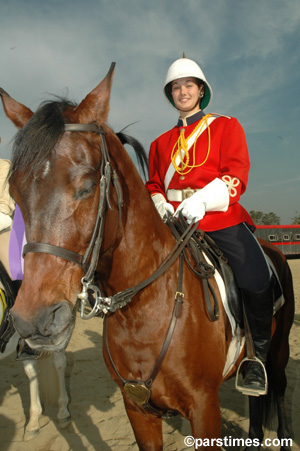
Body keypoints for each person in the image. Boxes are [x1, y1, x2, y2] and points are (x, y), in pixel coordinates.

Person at [145, 56, 274, 396]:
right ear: (170, 94)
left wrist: (202, 200)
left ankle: (256, 359)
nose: (182, 91)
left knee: (256, 276)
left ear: (201, 91)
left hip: (217, 217)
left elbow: (236, 176)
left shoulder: (227, 126)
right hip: (172, 223)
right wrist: (159, 203)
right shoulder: (159, 144)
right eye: (176, 87)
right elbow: (154, 184)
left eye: (189, 85)